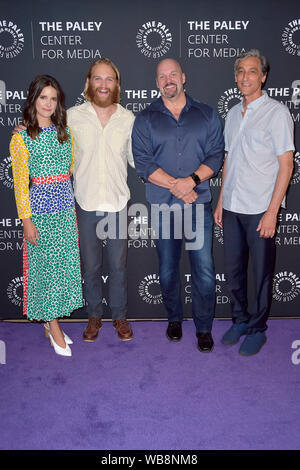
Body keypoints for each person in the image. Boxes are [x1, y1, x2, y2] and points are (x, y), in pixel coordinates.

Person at [132, 58, 224, 352]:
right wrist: (179, 185)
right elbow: (144, 164)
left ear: (183, 77)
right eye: (162, 76)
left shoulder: (207, 114)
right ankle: (174, 318)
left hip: (198, 207)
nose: (168, 79)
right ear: (157, 82)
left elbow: (215, 156)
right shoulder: (145, 119)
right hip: (163, 207)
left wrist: (192, 180)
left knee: (204, 270)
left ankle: (204, 328)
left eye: (173, 74)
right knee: (168, 270)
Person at [214, 49, 294, 356]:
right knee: (234, 271)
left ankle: (258, 328)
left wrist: (273, 212)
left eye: (251, 71)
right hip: (233, 206)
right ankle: (240, 320)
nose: (245, 77)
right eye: (240, 72)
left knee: (261, 273)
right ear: (236, 78)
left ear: (262, 76)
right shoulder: (233, 114)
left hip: (261, 207)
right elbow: (229, 159)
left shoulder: (277, 112)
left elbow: (286, 165)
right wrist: (221, 201)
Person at [10, 75, 83, 357]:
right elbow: (19, 184)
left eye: (53, 99)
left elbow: (71, 171)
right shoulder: (22, 138)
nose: (48, 104)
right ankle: (52, 326)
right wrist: (26, 220)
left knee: (61, 269)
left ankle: (52, 322)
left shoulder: (66, 133)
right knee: (46, 271)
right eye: (43, 98)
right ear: (33, 100)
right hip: (40, 214)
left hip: (65, 210)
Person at [67, 58, 135, 342]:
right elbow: (49, 140)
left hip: (118, 204)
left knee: (118, 268)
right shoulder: (71, 116)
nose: (104, 84)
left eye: (109, 79)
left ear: (116, 84)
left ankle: (119, 317)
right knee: (91, 267)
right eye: (98, 78)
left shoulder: (128, 119)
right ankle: (94, 316)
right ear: (89, 82)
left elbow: (136, 159)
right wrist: (24, 131)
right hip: (86, 203)